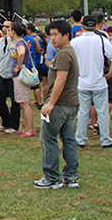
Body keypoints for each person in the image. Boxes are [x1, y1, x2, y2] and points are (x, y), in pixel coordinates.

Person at [34, 20, 80, 189]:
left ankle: (52, 177)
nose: (52, 38)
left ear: (66, 35)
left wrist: (51, 103)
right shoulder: (70, 52)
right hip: (71, 103)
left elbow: (61, 80)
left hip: (60, 104)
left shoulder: (63, 54)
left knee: (48, 139)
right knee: (68, 139)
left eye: (56, 35)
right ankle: (71, 176)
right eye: (50, 35)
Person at [72, 15, 112, 148]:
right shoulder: (102, 40)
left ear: (82, 26)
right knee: (103, 112)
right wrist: (110, 73)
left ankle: (80, 139)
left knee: (82, 112)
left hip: (82, 82)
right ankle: (105, 139)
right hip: (99, 81)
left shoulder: (76, 41)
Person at [9, 22, 36, 137]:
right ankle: (27, 127)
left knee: (24, 103)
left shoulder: (20, 43)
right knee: (22, 102)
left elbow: (21, 53)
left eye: (10, 29)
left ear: (14, 31)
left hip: (20, 76)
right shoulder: (19, 42)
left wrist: (18, 67)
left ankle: (30, 129)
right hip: (18, 76)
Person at [0, 21, 21, 134]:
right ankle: (5, 122)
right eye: (4, 27)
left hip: (13, 75)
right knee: (0, 98)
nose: (6, 29)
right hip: (3, 73)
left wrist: (10, 40)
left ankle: (14, 125)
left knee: (15, 101)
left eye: (8, 27)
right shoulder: (1, 41)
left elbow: (13, 53)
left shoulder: (18, 42)